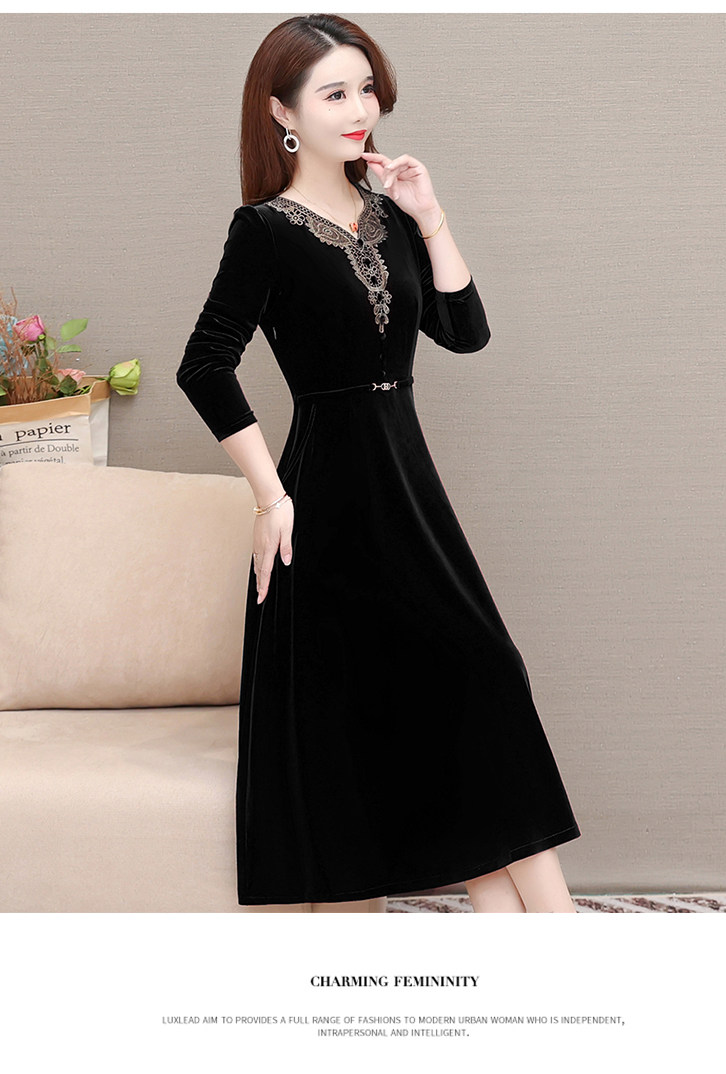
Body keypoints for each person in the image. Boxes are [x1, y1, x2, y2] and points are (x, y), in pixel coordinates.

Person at [176, 14, 581, 913]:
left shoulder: (391, 215)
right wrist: (270, 498)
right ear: (283, 113)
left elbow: (465, 334)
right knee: (456, 695)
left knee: (474, 690)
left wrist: (432, 219)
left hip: (407, 485)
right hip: (328, 505)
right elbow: (203, 365)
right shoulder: (264, 231)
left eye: (366, 89)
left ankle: (542, 955)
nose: (360, 109)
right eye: (334, 93)